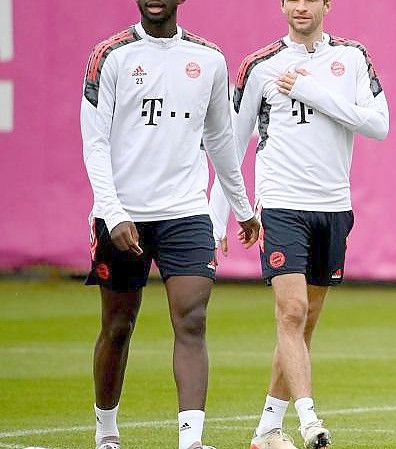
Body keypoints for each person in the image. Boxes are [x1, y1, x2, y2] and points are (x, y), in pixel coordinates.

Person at [207, 0, 389, 447]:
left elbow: (379, 125)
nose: (301, 6)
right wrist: (220, 217)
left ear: (328, 4)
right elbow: (231, 147)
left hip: (333, 207)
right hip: (282, 205)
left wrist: (314, 92)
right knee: (291, 312)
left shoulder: (352, 57)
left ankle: (268, 428)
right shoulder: (261, 65)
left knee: (304, 325)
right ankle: (309, 420)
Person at [80, 1, 261, 448]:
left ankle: (190, 440)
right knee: (118, 326)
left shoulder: (209, 58)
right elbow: (95, 141)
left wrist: (242, 205)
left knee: (192, 319)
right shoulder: (111, 55)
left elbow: (220, 137)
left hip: (186, 212)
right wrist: (114, 211)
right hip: (124, 214)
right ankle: (106, 433)